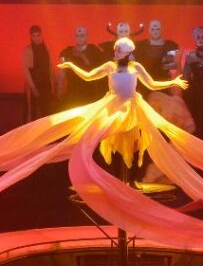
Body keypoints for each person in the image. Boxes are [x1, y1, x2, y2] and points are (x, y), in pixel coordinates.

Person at [57, 37, 188, 170]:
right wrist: (71, 66)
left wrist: (173, 82)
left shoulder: (136, 67)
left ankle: (131, 175)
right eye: (115, 49)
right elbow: (88, 76)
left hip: (132, 108)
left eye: (119, 50)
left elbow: (152, 84)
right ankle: (112, 174)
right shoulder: (110, 66)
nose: (115, 52)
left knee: (133, 145)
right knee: (109, 140)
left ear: (127, 52)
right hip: (113, 107)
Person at [56, 26, 105, 108]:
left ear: (86, 36)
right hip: (73, 91)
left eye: (82, 35)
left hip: (90, 91)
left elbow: (100, 70)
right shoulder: (67, 52)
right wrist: (60, 88)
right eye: (77, 36)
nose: (79, 38)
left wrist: (83, 58)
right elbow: (62, 71)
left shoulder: (94, 50)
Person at [135, 19, 180, 99]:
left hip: (162, 83)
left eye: (158, 29)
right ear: (149, 30)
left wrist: (166, 63)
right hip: (144, 84)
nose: (155, 31)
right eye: (153, 29)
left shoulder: (170, 45)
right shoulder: (141, 45)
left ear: (162, 29)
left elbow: (174, 66)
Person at [23, 25, 54, 122]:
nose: (36, 38)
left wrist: (53, 83)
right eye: (34, 36)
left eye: (38, 35)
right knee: (33, 112)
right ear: (31, 37)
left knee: (46, 111)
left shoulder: (46, 49)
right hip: (34, 85)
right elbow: (26, 71)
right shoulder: (28, 50)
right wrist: (33, 87)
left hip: (46, 85)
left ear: (41, 35)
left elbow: (50, 66)